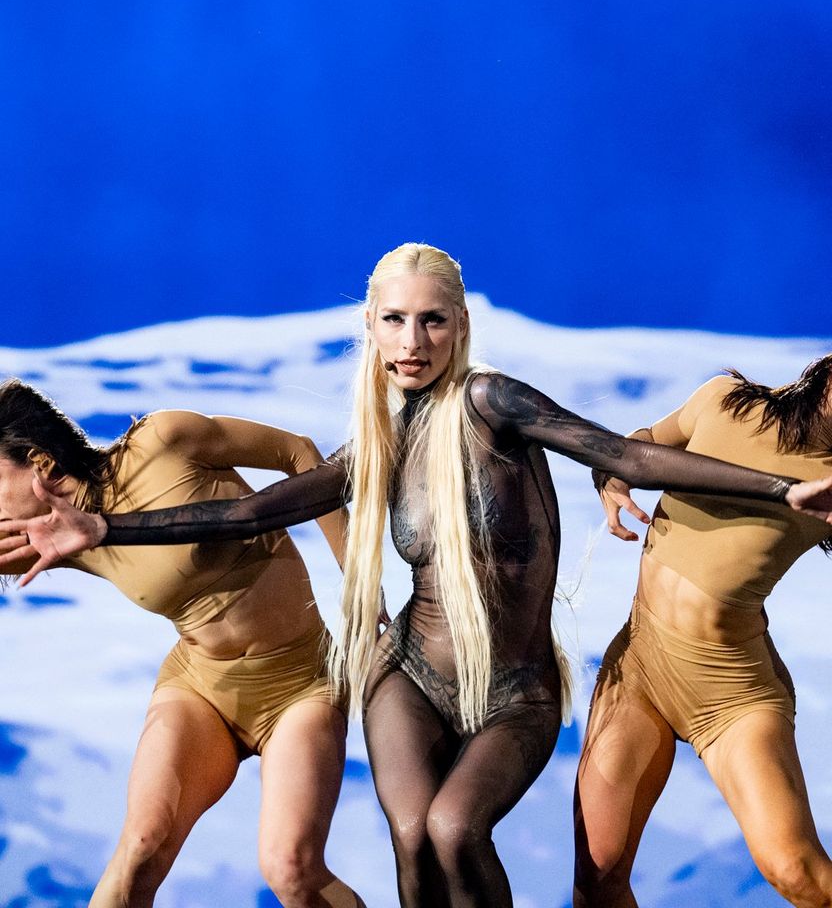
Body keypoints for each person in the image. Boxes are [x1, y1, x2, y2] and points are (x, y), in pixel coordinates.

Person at [3, 245, 832, 908]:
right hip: (410, 674)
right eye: (395, 322)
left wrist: (780, 489)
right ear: (371, 328)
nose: (413, 342)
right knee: (412, 836)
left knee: (454, 827)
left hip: (516, 687)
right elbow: (251, 512)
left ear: (460, 326)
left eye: (432, 321)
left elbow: (626, 454)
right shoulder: (380, 439)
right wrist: (106, 528)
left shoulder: (495, 403)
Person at [0, 380, 365, 908]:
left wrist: (358, 574)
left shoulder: (165, 440)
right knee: (141, 847)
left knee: (291, 868)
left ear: (40, 463)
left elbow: (299, 453)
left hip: (301, 684)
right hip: (200, 689)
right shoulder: (53, 535)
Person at [573, 361, 832, 908]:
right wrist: (610, 477)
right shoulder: (725, 400)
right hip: (638, 665)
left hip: (733, 693)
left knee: (796, 873)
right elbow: (638, 443)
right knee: (598, 878)